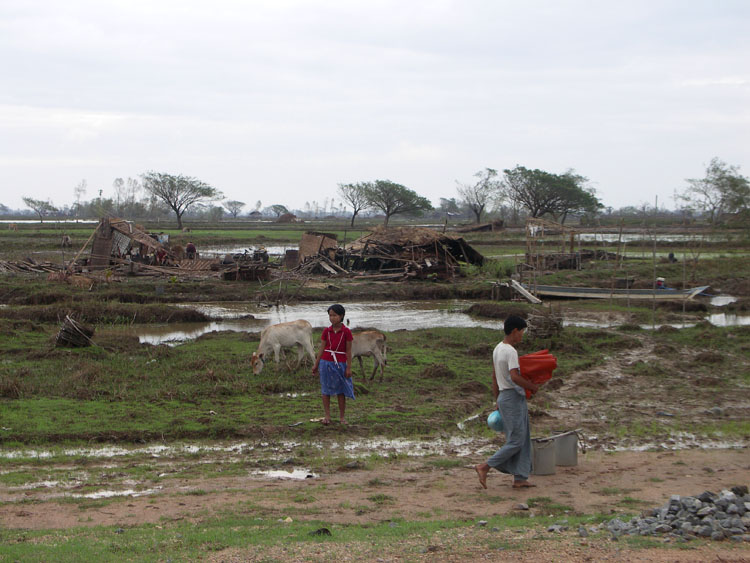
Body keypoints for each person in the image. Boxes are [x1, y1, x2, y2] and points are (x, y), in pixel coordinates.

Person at [475, 315, 539, 489]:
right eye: (522, 332)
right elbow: (514, 376)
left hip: (505, 396)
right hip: (512, 397)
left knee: (522, 437)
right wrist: (532, 387)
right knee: (517, 440)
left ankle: (520, 477)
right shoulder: (511, 351)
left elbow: (495, 376)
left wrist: (497, 400)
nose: (522, 336)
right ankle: (485, 466)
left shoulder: (498, 348)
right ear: (514, 331)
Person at [312, 304, 354, 425]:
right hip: (325, 363)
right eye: (330, 315)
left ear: (341, 316)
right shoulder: (326, 331)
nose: (332, 318)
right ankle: (327, 416)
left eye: (334, 315)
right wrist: (316, 364)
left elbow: (349, 350)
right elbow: (322, 348)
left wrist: (349, 367)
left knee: (341, 391)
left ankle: (342, 417)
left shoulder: (346, 332)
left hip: (340, 363)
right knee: (326, 390)